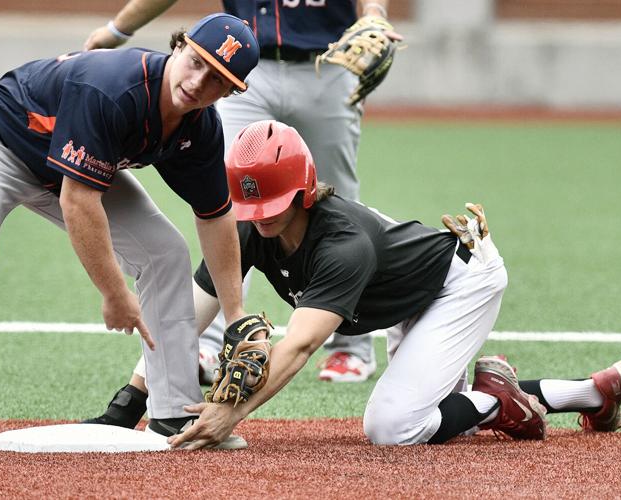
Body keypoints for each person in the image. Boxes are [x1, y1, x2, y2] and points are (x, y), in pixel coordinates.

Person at [0, 13, 261, 457]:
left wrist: (235, 317)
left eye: (217, 79)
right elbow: (79, 202)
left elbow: (215, 217)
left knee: (165, 252)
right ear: (178, 47)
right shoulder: (113, 86)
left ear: (231, 92)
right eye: (196, 62)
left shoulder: (201, 129)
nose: (198, 83)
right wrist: (115, 293)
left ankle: (174, 413)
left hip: (61, 172)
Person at [95, 120, 621, 448]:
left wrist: (230, 414)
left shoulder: (342, 246)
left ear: (305, 191)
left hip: (459, 285)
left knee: (393, 426)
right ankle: (591, 393)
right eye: (250, 205)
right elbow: (186, 314)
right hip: (405, 296)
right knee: (434, 409)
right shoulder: (252, 227)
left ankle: (492, 399)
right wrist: (131, 397)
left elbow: (302, 344)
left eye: (272, 204)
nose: (260, 217)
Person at [85, 0, 404, 384]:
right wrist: (118, 29)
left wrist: (373, 11)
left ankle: (351, 348)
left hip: (328, 65)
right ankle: (215, 340)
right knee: (227, 196)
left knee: (335, 201)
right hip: (239, 74)